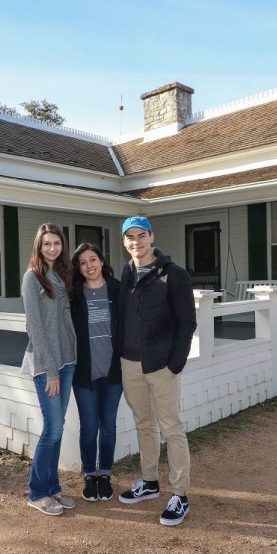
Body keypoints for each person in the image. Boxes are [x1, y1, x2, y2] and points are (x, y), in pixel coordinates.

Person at [117, 216, 197, 527]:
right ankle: (149, 481)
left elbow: (186, 321)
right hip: (130, 362)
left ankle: (180, 495)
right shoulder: (126, 274)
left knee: (171, 429)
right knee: (143, 424)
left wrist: (175, 362)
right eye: (130, 237)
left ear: (151, 237)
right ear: (125, 241)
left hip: (161, 364)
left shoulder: (174, 275)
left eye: (141, 236)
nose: (136, 242)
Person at [21, 223, 77, 516]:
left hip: (67, 362)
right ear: (39, 247)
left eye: (56, 243)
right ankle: (37, 492)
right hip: (47, 366)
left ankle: (52, 487)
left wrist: (71, 361)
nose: (52, 248)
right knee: (52, 429)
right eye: (47, 244)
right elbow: (35, 327)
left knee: (58, 428)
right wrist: (51, 371)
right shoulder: (33, 278)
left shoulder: (61, 275)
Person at [70, 242, 123, 502]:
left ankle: (106, 475)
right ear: (78, 268)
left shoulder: (117, 289)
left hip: (113, 372)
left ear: (102, 261)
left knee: (109, 426)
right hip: (84, 374)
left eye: (93, 259)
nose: (89, 266)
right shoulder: (74, 294)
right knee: (89, 427)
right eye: (82, 262)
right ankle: (90, 474)